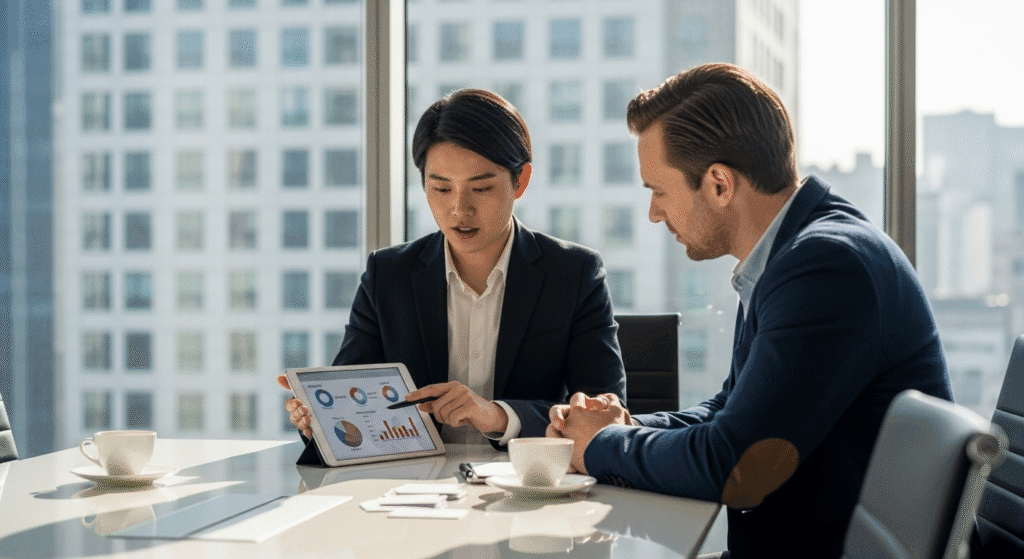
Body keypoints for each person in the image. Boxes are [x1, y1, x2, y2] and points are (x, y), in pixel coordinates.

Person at [547, 63, 952, 559]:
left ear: (719, 184)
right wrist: (628, 428)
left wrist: (603, 445)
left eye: (659, 191)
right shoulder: (791, 255)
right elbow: (729, 410)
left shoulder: (824, 267)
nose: (654, 213)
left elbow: (734, 465)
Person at [279, 88, 626, 447]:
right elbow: (351, 402)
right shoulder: (388, 274)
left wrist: (495, 415)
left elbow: (605, 416)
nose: (460, 209)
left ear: (520, 180)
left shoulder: (573, 273)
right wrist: (318, 419)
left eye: (482, 188)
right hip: (412, 490)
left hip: (529, 489)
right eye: (441, 189)